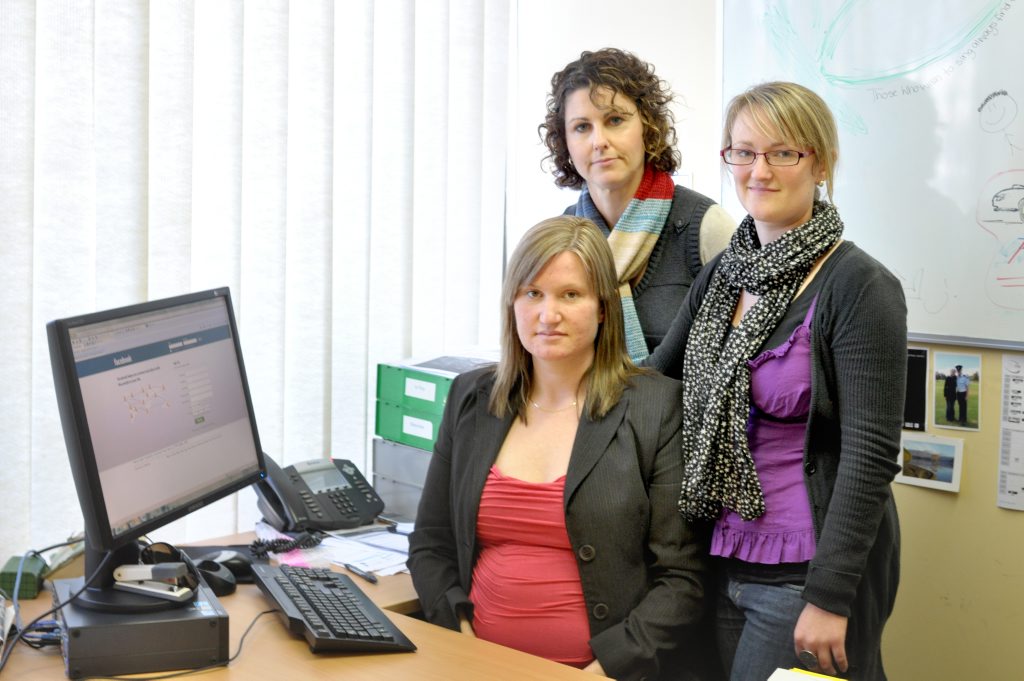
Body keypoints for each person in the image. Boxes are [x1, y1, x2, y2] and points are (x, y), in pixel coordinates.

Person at [646, 82, 906, 681]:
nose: (758, 171)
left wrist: (830, 598)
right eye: (743, 152)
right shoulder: (723, 275)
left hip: (804, 579)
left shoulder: (859, 285)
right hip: (722, 559)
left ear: (821, 163)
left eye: (782, 152)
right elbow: (657, 381)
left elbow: (870, 456)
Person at [408, 216, 712, 680]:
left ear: (603, 307)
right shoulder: (472, 399)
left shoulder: (656, 408)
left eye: (570, 295)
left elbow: (682, 579)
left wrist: (603, 669)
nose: (548, 315)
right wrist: (460, 636)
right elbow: (431, 544)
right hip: (475, 665)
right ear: (512, 303)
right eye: (533, 293)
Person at [540, 48, 735, 362]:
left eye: (615, 120)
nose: (599, 141)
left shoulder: (706, 228)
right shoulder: (558, 238)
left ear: (647, 126)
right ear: (565, 142)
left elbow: (740, 359)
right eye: (582, 127)